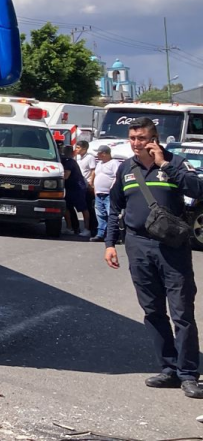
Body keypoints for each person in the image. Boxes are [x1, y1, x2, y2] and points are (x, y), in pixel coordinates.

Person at [104, 117, 203, 399]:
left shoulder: (175, 163)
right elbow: (114, 207)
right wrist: (110, 243)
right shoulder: (126, 168)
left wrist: (164, 165)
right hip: (138, 245)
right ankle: (169, 368)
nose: (137, 143)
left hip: (172, 247)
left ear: (155, 138)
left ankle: (188, 373)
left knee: (182, 312)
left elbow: (197, 190)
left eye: (143, 138)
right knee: (153, 311)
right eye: (133, 138)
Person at [90, 146, 119, 243]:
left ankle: (114, 235)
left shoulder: (114, 163)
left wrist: (113, 189)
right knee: (100, 215)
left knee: (111, 215)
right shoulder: (99, 164)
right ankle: (100, 234)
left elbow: (117, 177)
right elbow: (97, 176)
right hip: (99, 194)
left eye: (99, 153)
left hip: (109, 194)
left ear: (105, 153)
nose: (97, 155)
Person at [60, 145, 88, 236]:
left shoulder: (69, 162)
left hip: (77, 188)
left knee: (82, 208)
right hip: (70, 188)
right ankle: (70, 228)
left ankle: (87, 229)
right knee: (67, 208)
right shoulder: (67, 161)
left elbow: (65, 176)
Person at [76, 140, 98, 234]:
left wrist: (91, 182)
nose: (76, 149)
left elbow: (93, 170)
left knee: (88, 207)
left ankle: (88, 228)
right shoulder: (77, 158)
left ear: (84, 148)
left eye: (78, 147)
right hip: (78, 184)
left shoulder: (90, 158)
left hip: (86, 185)